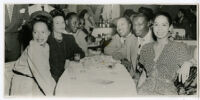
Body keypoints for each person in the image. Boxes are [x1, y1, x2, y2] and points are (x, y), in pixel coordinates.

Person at [137, 12, 191, 95]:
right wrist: (137, 91)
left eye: (164, 25)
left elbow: (195, 59)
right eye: (156, 24)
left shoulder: (178, 47)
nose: (159, 29)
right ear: (152, 27)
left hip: (167, 93)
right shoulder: (146, 48)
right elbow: (144, 74)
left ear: (170, 27)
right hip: (144, 91)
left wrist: (188, 63)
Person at [10, 12, 56, 96]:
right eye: (35, 32)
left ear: (49, 32)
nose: (39, 36)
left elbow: (45, 70)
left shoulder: (46, 46)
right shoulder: (34, 46)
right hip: (22, 84)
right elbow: (43, 75)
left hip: (32, 81)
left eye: (42, 32)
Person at [48, 9, 85, 82]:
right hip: (52, 78)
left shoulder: (69, 38)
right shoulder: (48, 40)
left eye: (62, 22)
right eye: (57, 23)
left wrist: (70, 59)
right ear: (52, 25)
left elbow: (81, 53)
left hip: (68, 74)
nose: (61, 25)